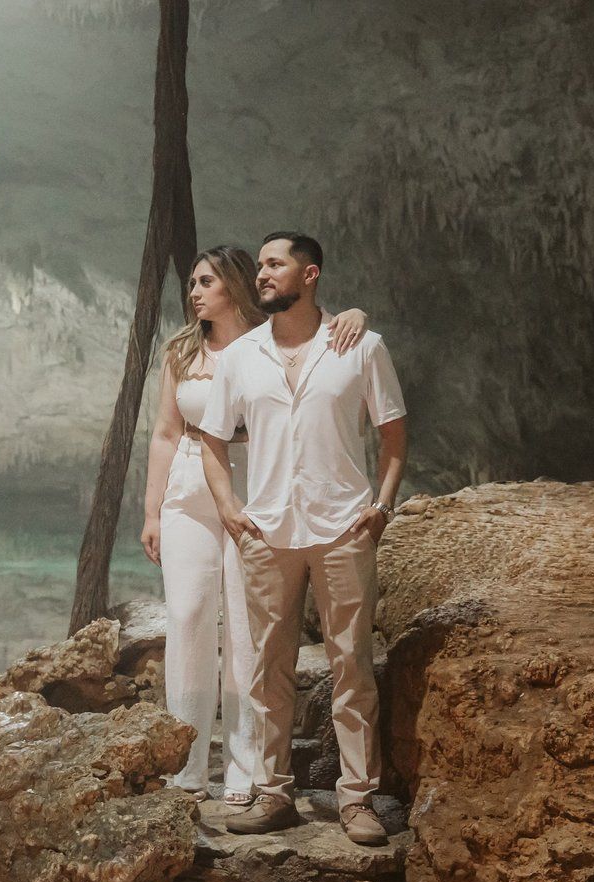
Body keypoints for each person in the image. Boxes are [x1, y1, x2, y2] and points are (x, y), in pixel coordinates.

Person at [197, 231, 407, 845]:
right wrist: (231, 511)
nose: (260, 274)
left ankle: (358, 798)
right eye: (259, 265)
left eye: (273, 264)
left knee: (352, 665)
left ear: (308, 275)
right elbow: (212, 440)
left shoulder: (361, 347)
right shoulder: (241, 357)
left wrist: (382, 506)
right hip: (267, 529)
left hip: (342, 524)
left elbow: (393, 433)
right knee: (268, 667)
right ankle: (272, 792)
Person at [140, 245, 367, 804]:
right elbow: (166, 434)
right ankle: (187, 767)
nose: (193, 292)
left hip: (253, 483)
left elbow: (323, 331)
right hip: (190, 486)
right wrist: (151, 512)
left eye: (204, 281)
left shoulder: (267, 345)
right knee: (189, 615)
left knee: (248, 628)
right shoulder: (180, 351)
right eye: (191, 282)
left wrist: (354, 316)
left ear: (234, 286)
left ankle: (246, 768)